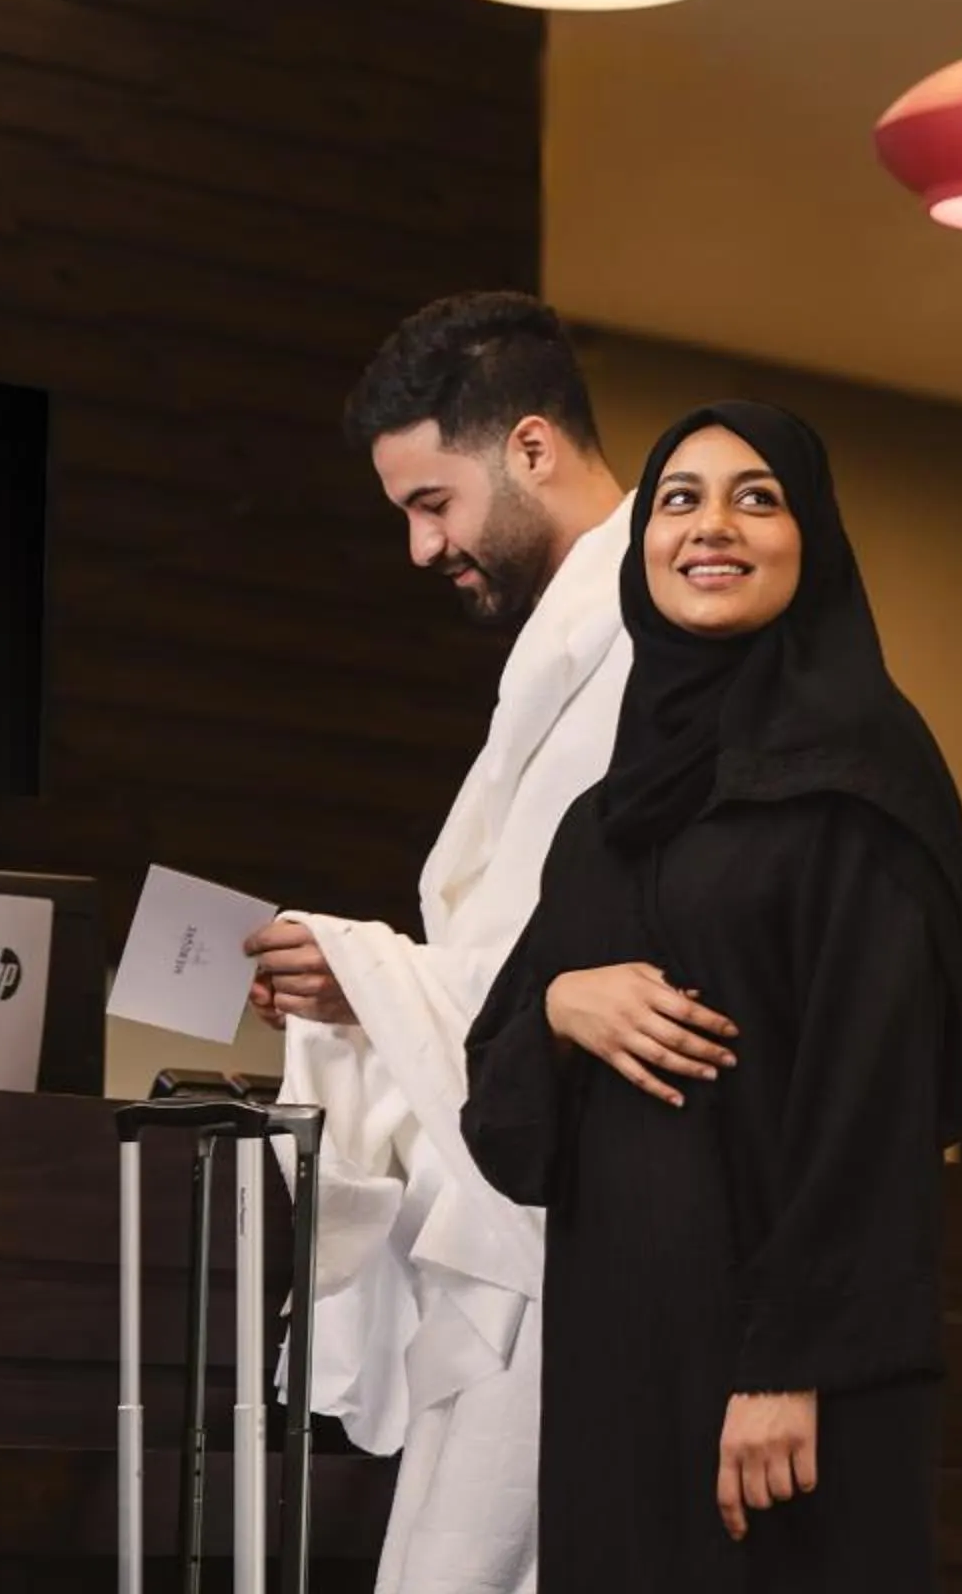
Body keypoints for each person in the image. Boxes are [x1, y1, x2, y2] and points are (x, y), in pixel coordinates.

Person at [461, 402, 962, 1593]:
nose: (714, 525)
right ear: (646, 539)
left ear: (814, 540)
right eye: (681, 498)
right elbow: (495, 1103)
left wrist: (788, 1366)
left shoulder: (862, 780)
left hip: (791, 1382)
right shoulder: (602, 823)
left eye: (758, 496)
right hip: (619, 1359)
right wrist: (559, 1006)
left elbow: (877, 1095)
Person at [240, 292, 690, 1594]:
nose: (421, 547)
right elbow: (523, 958)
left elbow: (620, 954)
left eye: (432, 503)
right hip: (517, 1197)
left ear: (532, 450)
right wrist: (365, 994)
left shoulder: (656, 642)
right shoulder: (569, 643)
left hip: (589, 1217)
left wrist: (379, 975)